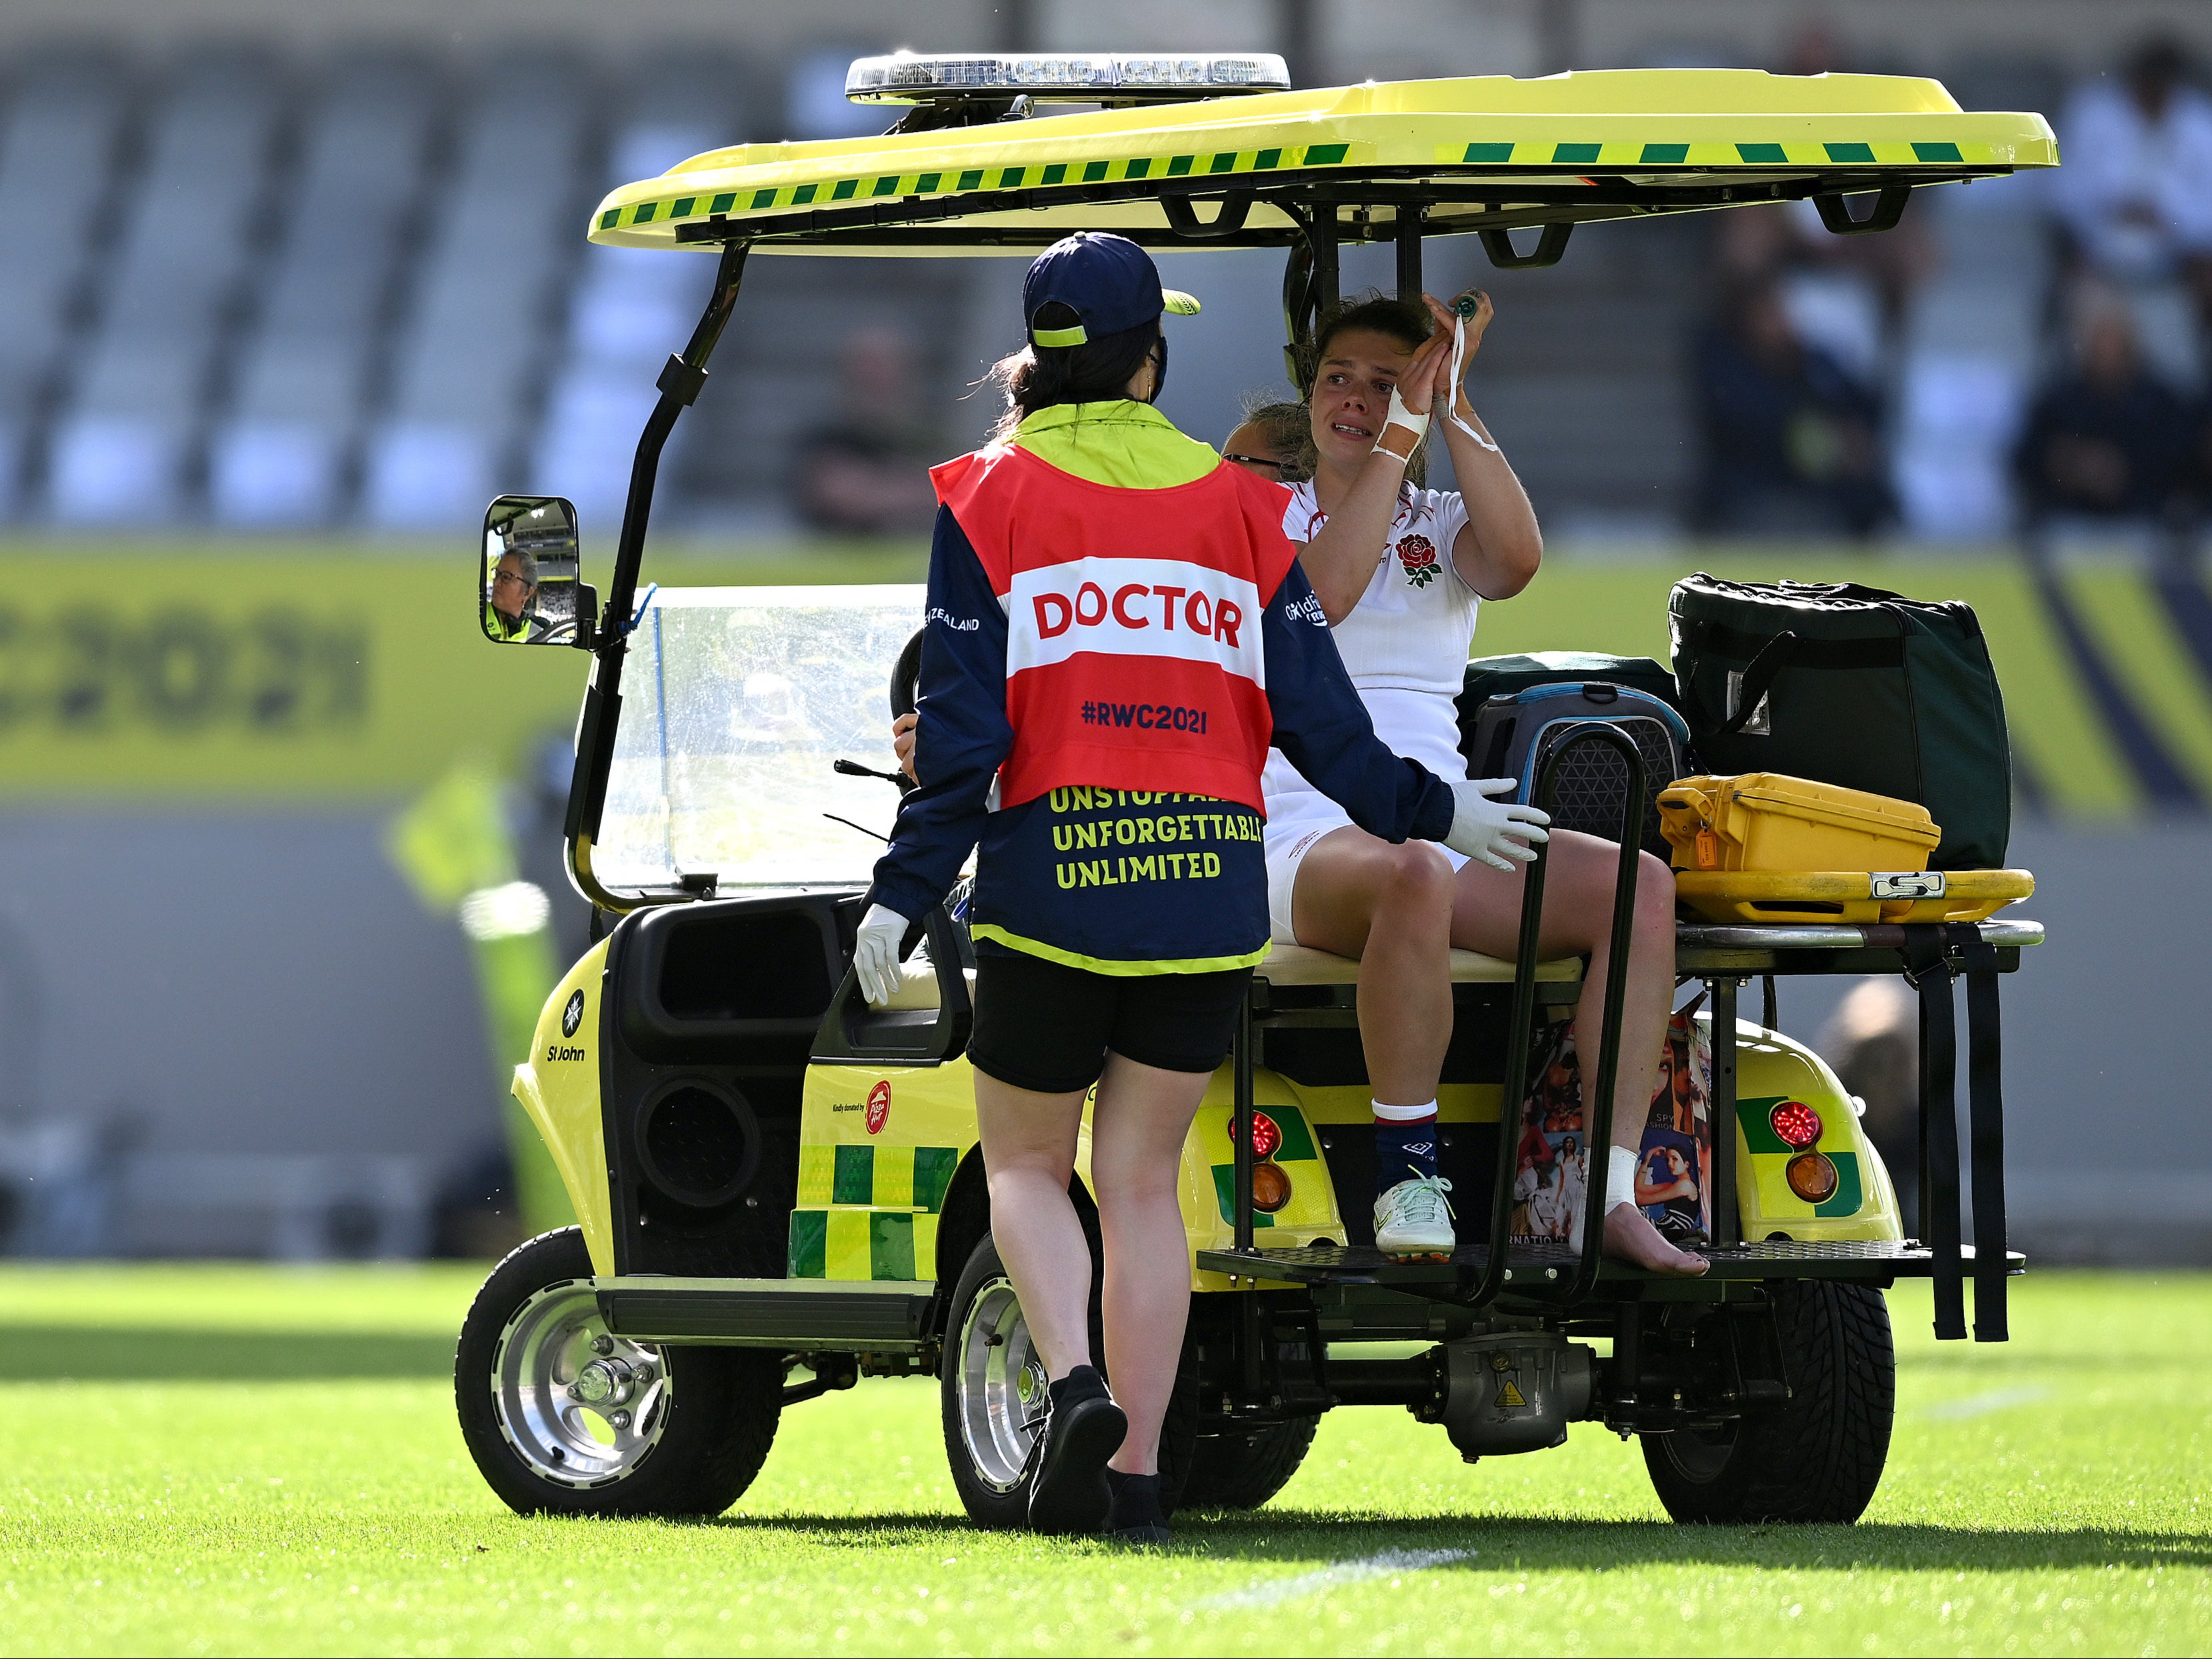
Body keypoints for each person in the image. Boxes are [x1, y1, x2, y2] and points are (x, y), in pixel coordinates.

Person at [851, 233, 1545, 1546]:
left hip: (1054, 883)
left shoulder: (983, 495)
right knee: (1148, 1183)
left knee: (1024, 1166)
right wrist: (1433, 807)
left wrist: (902, 893)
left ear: (1034, 361)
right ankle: (1143, 1484)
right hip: (1206, 887)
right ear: (1149, 360)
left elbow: (958, 736)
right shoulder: (1235, 506)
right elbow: (1324, 725)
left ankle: (1071, 1383)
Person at [1263, 286, 1703, 1276]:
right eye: (1338, 379)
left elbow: (1515, 562)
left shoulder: (1438, 519)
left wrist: (1452, 404)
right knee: (1414, 868)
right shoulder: (1258, 508)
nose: (1356, 400)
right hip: (1299, 836)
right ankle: (1407, 1172)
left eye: (1386, 384)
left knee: (1639, 888)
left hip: (1431, 826)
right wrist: (1395, 439)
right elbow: (1321, 598)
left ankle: (1610, 1190)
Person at [484, 547, 539, 641]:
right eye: (497, 574)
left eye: (506, 577)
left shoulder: (538, 633)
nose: (496, 583)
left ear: (527, 593)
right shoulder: (475, 614)